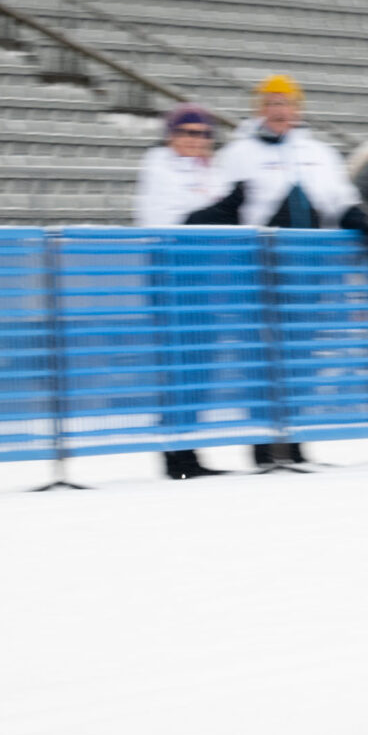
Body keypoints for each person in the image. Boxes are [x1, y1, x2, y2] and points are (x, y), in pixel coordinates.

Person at [199, 74, 368, 470]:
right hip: (260, 273)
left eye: (286, 104)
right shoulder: (238, 153)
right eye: (271, 103)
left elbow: (339, 199)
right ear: (259, 109)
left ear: (298, 110)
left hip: (310, 275)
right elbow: (218, 207)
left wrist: (361, 218)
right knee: (262, 358)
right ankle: (265, 446)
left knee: (303, 358)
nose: (280, 111)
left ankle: (296, 439)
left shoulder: (320, 153)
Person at [134, 103, 230, 481]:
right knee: (179, 365)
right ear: (171, 135)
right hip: (171, 277)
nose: (196, 140)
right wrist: (222, 207)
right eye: (188, 132)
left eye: (204, 134)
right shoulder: (158, 166)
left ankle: (189, 449)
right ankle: (176, 454)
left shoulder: (211, 170)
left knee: (202, 365)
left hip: (205, 279)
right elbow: (173, 219)